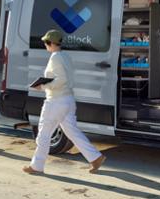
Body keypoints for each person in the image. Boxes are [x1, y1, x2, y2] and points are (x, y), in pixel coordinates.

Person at [23, 29, 106, 175]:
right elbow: (65, 79)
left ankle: (37, 166)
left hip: (56, 101)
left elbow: (61, 80)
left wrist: (42, 86)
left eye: (45, 43)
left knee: (43, 133)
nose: (45, 45)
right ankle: (95, 158)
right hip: (68, 100)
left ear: (50, 43)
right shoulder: (66, 56)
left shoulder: (55, 57)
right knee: (73, 132)